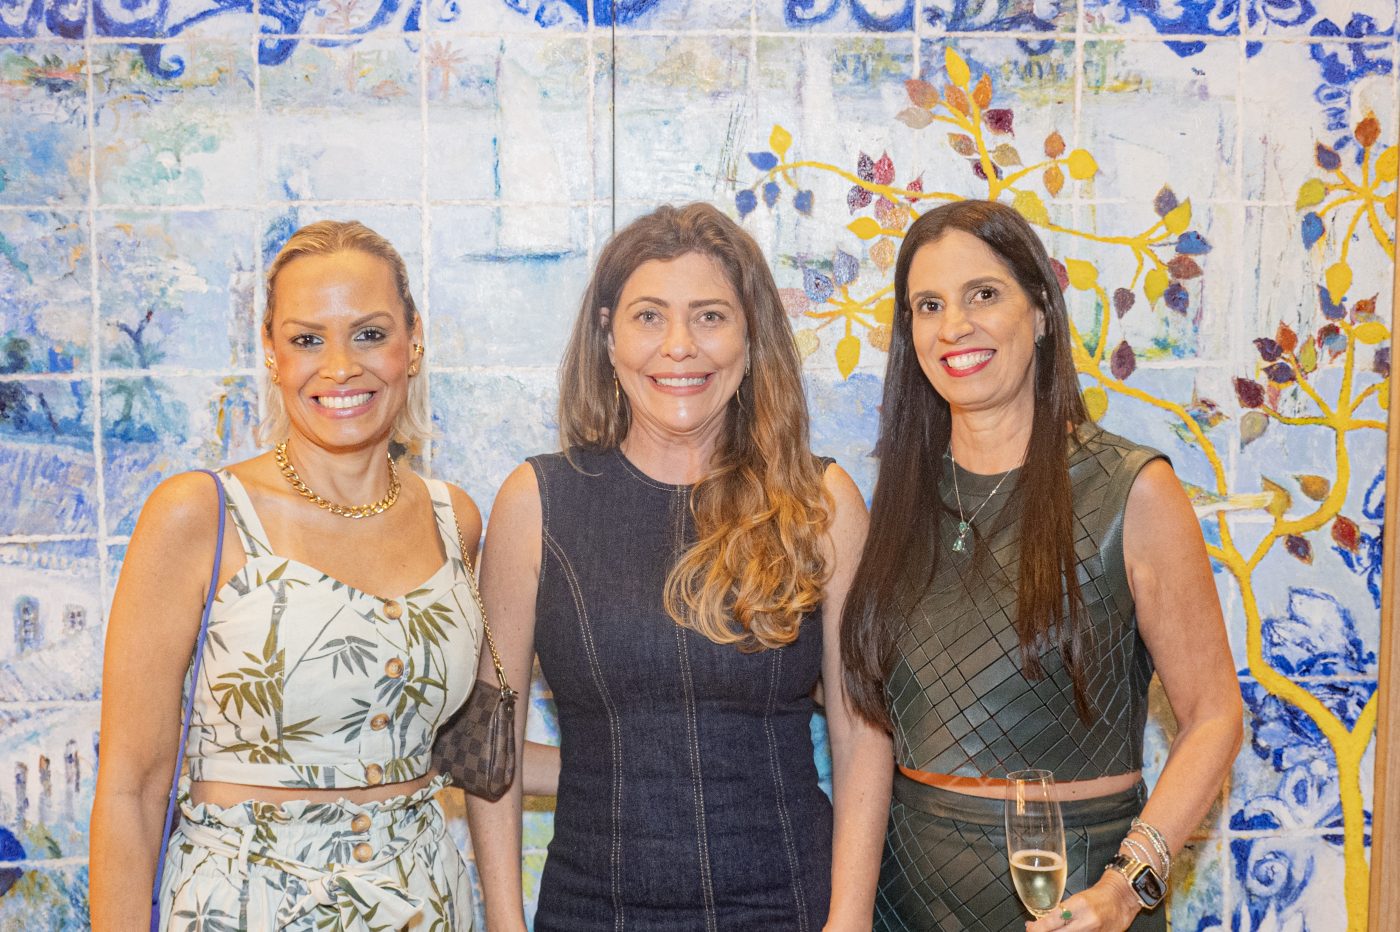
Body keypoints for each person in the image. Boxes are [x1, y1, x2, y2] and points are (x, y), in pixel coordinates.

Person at [467, 202, 893, 931]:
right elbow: (488, 737)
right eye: (648, 316)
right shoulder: (535, 502)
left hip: (786, 908)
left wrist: (847, 923)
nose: (679, 346)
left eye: (709, 316)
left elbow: (861, 735)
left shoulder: (821, 502)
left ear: (752, 336)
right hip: (588, 913)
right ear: (607, 335)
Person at [840, 199, 1243, 932]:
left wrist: (1129, 885)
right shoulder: (899, 499)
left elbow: (1215, 716)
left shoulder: (1133, 489)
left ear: (1042, 313)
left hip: (1079, 906)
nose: (953, 325)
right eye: (928, 306)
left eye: (983, 295)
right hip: (905, 900)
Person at [91, 220, 483, 931]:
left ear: (413, 341)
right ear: (270, 353)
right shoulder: (198, 515)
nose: (340, 368)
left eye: (369, 334)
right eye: (307, 339)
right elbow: (132, 786)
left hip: (429, 905)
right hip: (245, 909)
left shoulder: (454, 518)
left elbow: (466, 744)